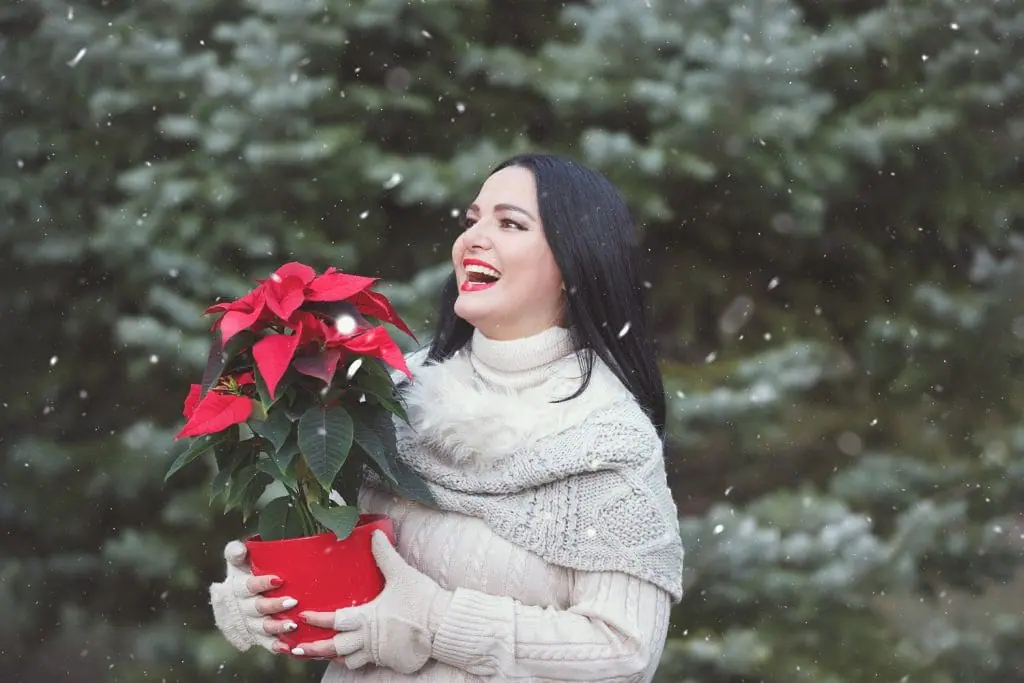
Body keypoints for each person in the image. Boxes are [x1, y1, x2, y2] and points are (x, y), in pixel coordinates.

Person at [208, 154, 685, 681]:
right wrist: (263, 596)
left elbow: (624, 652)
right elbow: (329, 547)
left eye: (509, 223)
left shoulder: (603, 440)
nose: (473, 238)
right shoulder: (390, 398)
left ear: (576, 263)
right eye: (471, 220)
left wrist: (437, 621)